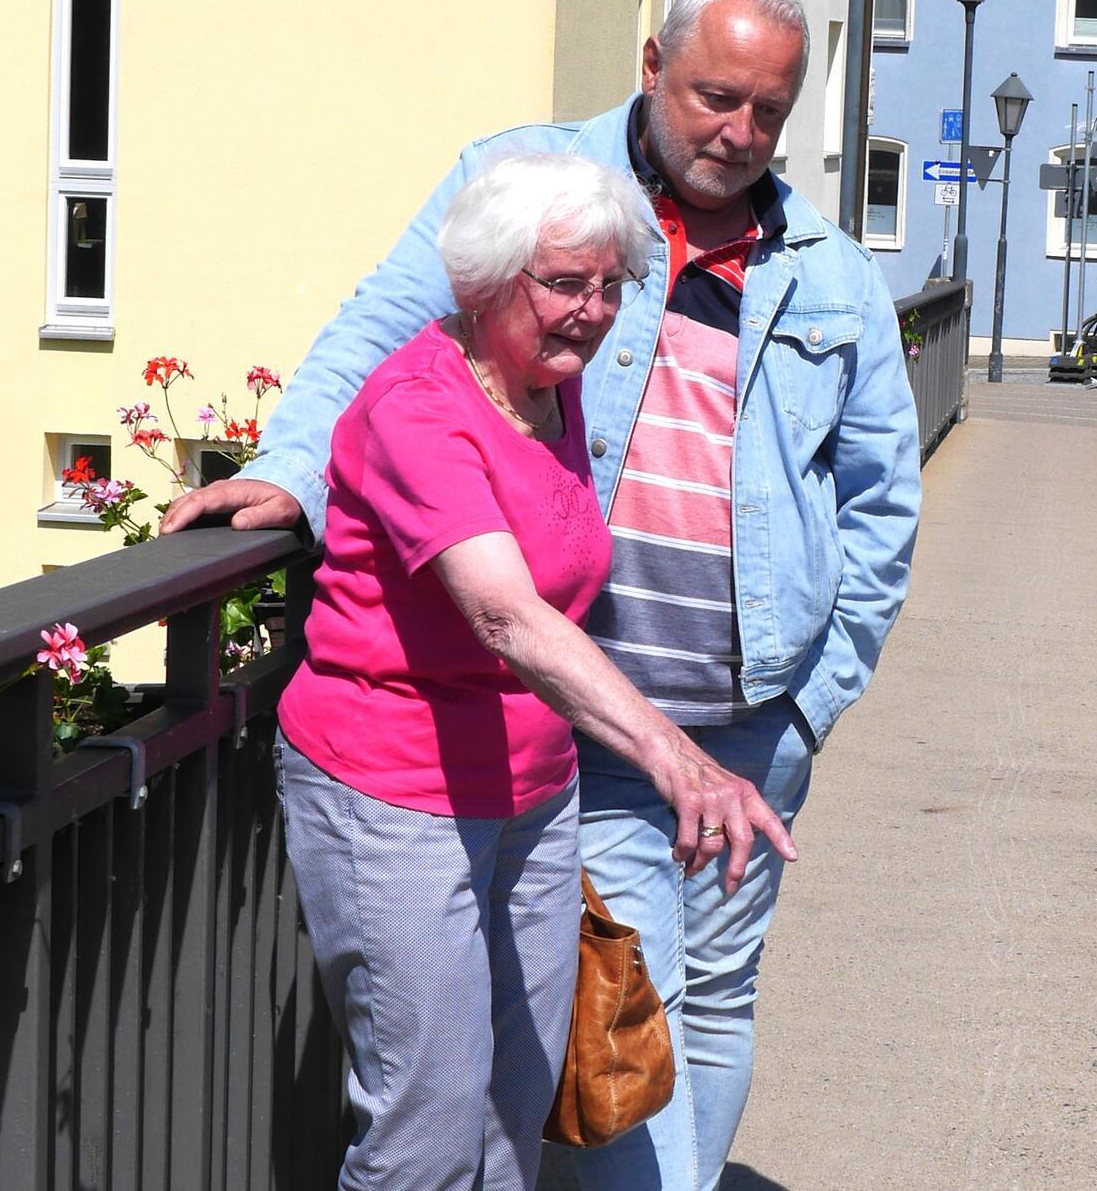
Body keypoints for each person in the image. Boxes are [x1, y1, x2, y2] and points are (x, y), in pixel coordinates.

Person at [162, 0, 922, 1191]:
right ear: (649, 65)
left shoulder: (823, 266)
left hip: (751, 714)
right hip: (588, 713)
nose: (736, 132)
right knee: (617, 1015)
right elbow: (385, 336)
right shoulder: (532, 198)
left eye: (766, 112)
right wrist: (295, 470)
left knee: (702, 1004)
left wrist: (812, 699)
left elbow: (882, 500)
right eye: (713, 97)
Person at [274, 152, 791, 1189]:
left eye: (609, 285)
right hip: (396, 794)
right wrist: (677, 759)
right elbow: (504, 611)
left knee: (516, 1112)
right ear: (482, 281)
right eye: (563, 283)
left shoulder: (551, 390)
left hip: (532, 791)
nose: (592, 312)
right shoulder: (420, 405)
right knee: (421, 1128)